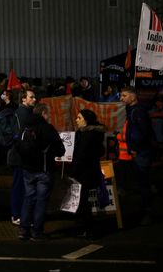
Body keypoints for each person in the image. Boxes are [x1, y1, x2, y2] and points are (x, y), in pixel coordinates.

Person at [18, 103, 65, 241]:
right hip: (44, 170)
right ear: (43, 113)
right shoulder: (47, 128)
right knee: (41, 201)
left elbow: (17, 146)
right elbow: (60, 150)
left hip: (27, 169)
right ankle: (37, 231)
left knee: (28, 198)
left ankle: (23, 229)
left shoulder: (24, 127)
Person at [119, 86, 154, 224]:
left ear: (133, 97)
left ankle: (147, 212)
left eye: (124, 96)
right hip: (138, 152)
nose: (121, 98)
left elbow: (145, 132)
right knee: (139, 182)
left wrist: (135, 148)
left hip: (141, 153)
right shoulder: (132, 110)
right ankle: (143, 210)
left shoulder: (138, 112)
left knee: (143, 183)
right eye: (121, 96)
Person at [70, 109, 106, 238]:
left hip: (84, 173)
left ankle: (86, 229)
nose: (76, 120)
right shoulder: (94, 134)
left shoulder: (87, 136)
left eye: (79, 118)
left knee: (82, 202)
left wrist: (73, 172)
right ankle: (86, 228)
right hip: (91, 171)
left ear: (86, 120)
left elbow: (81, 156)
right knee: (83, 201)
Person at [8, 89, 37, 225]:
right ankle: (16, 215)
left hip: (22, 155)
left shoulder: (26, 113)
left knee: (23, 186)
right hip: (20, 157)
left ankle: (20, 214)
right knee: (19, 186)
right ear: (23, 99)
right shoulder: (22, 114)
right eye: (31, 97)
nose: (34, 99)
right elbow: (19, 136)